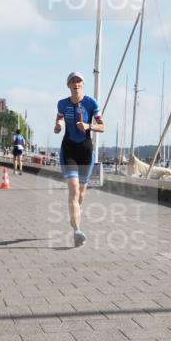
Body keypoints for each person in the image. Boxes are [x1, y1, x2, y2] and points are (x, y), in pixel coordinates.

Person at [54, 71, 104, 247]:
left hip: (86, 151)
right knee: (74, 191)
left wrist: (89, 126)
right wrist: (58, 126)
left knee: (81, 194)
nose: (76, 84)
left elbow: (102, 126)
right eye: (73, 82)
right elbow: (59, 120)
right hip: (68, 150)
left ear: (83, 84)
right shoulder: (62, 103)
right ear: (68, 85)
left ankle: (75, 217)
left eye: (79, 81)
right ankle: (77, 231)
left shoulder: (91, 103)